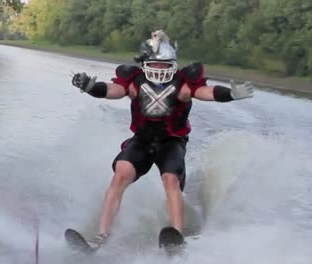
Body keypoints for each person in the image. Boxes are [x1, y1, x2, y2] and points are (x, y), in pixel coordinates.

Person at [70, 30, 254, 250]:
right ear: (145, 64)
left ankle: (176, 237)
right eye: (155, 65)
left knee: (170, 179)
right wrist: (91, 87)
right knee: (120, 174)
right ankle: (100, 236)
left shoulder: (183, 84)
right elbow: (114, 90)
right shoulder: (133, 81)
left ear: (173, 65)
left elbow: (206, 91)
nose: (159, 69)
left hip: (171, 142)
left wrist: (230, 94)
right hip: (142, 141)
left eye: (164, 65)